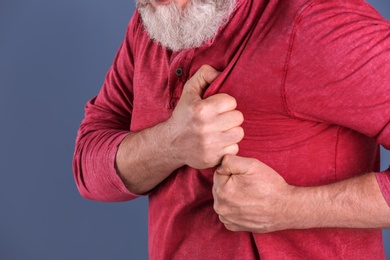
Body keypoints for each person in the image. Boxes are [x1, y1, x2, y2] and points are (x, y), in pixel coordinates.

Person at [73, 0, 390, 258]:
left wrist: (290, 207)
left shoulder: (319, 23)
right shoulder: (157, 18)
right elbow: (89, 169)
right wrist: (171, 142)